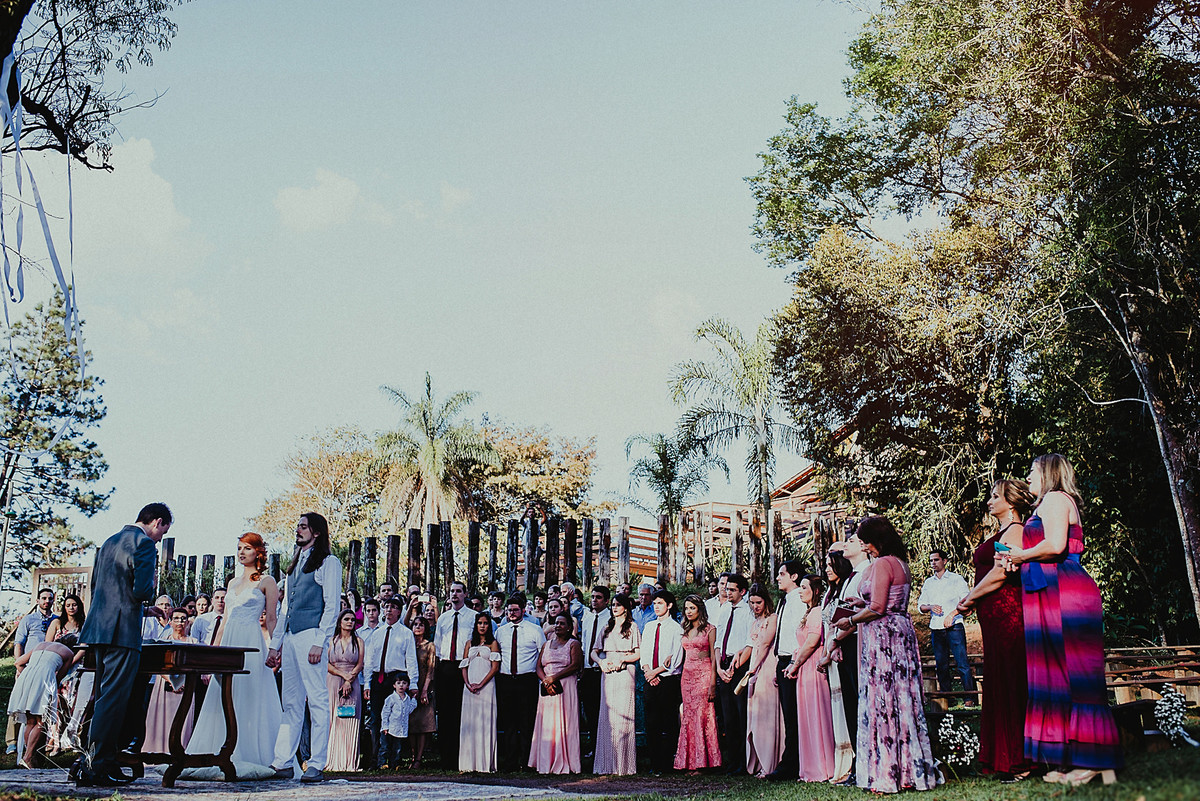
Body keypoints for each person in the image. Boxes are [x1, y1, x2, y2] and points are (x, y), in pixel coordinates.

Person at [1004, 454, 1121, 786]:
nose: (1027, 478)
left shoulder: (1056, 498)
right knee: (1057, 676)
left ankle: (1097, 762)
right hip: (1046, 593)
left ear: (1047, 473)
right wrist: (1018, 560)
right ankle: (1075, 760)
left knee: (1078, 675)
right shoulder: (1045, 504)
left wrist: (1020, 555)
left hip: (1065, 592)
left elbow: (1055, 546)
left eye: (1031, 472)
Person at [835, 516, 941, 793]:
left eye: (866, 542)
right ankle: (909, 768)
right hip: (900, 633)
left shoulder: (882, 563)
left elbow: (879, 607)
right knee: (902, 699)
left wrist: (852, 619)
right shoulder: (900, 563)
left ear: (876, 540)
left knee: (883, 701)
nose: (865, 547)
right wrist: (862, 602)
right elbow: (887, 599)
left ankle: (888, 772)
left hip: (883, 636)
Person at [73, 502, 171, 788]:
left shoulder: (109, 541)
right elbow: (141, 589)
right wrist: (147, 597)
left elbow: (101, 589)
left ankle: (95, 761)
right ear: (157, 521)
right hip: (122, 633)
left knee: (101, 697)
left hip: (99, 629)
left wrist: (144, 610)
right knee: (113, 701)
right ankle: (96, 767)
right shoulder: (144, 545)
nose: (160, 537)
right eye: (163, 531)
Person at [185, 532, 283, 779]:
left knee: (250, 694)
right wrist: (213, 655)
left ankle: (252, 752)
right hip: (229, 641)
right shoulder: (231, 584)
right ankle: (217, 751)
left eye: (247, 548)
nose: (242, 552)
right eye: (239, 548)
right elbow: (225, 621)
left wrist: (275, 648)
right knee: (224, 695)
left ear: (258, 552)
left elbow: (271, 617)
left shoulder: (267, 581)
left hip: (251, 642)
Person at [958, 479, 1034, 781]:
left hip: (1008, 614)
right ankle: (1002, 755)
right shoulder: (1001, 533)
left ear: (1011, 502)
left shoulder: (1015, 531)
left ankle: (1019, 759)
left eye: (995, 496)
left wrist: (970, 598)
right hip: (993, 615)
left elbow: (1001, 573)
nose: (989, 501)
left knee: (1011, 679)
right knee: (999, 678)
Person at [267, 512, 343, 783]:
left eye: (303, 527)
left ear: (317, 532)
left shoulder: (329, 562)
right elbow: (285, 607)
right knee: (291, 701)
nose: (298, 530)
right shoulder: (295, 562)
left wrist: (319, 641)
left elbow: (332, 605)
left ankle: (317, 763)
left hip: (311, 633)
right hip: (290, 636)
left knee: (318, 699)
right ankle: (283, 761)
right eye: (297, 526)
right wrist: (275, 644)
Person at [787, 574, 836, 782]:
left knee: (817, 714)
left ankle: (821, 766)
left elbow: (812, 641)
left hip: (812, 665)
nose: (800, 590)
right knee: (807, 716)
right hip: (804, 665)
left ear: (815, 591)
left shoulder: (816, 612)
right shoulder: (809, 612)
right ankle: (809, 766)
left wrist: (796, 663)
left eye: (804, 587)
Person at [364, 597, 419, 770]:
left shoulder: (405, 633)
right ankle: (375, 759)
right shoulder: (377, 633)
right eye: (386, 606)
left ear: (399, 611)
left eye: (393, 607)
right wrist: (367, 683)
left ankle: (393, 759)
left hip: (396, 679)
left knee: (395, 719)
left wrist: (413, 683)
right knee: (376, 719)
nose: (389, 610)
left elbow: (411, 659)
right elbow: (369, 659)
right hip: (378, 678)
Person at [917, 550, 976, 703]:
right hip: (936, 627)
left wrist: (952, 614)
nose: (933, 563)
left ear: (944, 561)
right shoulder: (929, 582)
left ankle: (970, 697)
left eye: (936, 560)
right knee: (941, 664)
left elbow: (966, 600)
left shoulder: (956, 579)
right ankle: (948, 697)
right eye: (931, 561)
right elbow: (920, 605)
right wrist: (930, 607)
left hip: (954, 626)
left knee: (961, 662)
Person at [817, 550, 855, 783]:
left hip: (843, 650)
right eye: (826, 566)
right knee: (839, 708)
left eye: (831, 565)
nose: (827, 569)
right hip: (831, 652)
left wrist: (831, 649)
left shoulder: (847, 589)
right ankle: (842, 762)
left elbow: (846, 622)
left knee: (847, 707)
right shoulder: (829, 594)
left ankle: (852, 761)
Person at [496, 595, 546, 771]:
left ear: (524, 610)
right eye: (509, 610)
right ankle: (509, 761)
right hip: (506, 680)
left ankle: (526, 761)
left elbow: (543, 652)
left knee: (526, 721)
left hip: (527, 679)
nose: (512, 613)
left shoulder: (534, 629)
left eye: (515, 610)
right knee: (508, 722)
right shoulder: (501, 631)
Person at [528, 612, 582, 774]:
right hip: (547, 687)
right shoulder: (546, 644)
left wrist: (554, 678)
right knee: (548, 723)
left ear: (569, 628)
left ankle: (567, 761)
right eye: (556, 623)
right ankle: (545, 761)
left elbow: (575, 665)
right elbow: (538, 666)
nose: (558, 626)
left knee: (565, 722)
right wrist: (546, 680)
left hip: (566, 686)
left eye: (562, 624)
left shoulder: (574, 644)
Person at [9, 638, 77, 768]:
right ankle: (28, 757)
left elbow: (18, 663)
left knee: (30, 721)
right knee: (41, 720)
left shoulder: (40, 645)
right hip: (44, 678)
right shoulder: (68, 653)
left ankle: (28, 756)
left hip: (27, 676)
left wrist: (28, 677)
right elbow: (59, 677)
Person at [592, 592, 639, 775]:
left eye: (618, 605)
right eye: (612, 604)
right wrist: (601, 662)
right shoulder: (606, 627)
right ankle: (606, 764)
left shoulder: (633, 627)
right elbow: (593, 652)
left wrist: (623, 660)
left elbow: (638, 652)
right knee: (607, 717)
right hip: (608, 672)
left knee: (624, 716)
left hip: (625, 672)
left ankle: (624, 765)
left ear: (626, 607)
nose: (614, 608)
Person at [767, 560, 804, 780]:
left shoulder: (799, 600)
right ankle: (789, 760)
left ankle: (791, 763)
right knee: (788, 714)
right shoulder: (784, 601)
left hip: (793, 660)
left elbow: (799, 633)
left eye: (782, 574)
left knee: (793, 714)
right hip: (783, 660)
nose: (778, 578)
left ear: (794, 577)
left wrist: (793, 662)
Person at [675, 594, 720, 771]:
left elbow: (714, 656)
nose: (689, 611)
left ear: (700, 609)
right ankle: (688, 761)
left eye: (692, 608)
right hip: (687, 676)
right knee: (688, 716)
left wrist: (713, 682)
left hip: (704, 673)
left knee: (703, 715)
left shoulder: (710, 629)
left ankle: (705, 762)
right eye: (686, 608)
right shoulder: (684, 629)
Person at [144, 608, 198, 754]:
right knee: (162, 719)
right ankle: (158, 751)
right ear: (171, 621)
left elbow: (196, 665)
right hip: (164, 684)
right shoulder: (163, 641)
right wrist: (171, 681)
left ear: (188, 622)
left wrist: (182, 683)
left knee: (183, 719)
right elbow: (156, 664)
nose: (180, 622)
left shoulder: (194, 642)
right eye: (176, 618)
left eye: (183, 619)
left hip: (186, 685)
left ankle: (179, 752)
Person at [743, 584, 784, 777]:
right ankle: (758, 761)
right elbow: (751, 646)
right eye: (751, 603)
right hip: (755, 665)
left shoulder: (772, 618)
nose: (754, 606)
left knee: (766, 714)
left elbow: (766, 644)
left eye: (758, 602)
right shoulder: (755, 622)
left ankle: (770, 763)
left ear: (766, 601)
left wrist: (754, 668)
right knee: (755, 714)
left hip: (766, 666)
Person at [641, 589, 683, 773]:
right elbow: (644, 653)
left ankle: (667, 762)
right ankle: (654, 762)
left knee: (668, 722)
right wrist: (648, 671)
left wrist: (657, 672)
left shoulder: (676, 628)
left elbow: (675, 658)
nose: (657, 607)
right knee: (651, 722)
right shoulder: (650, 627)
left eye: (660, 603)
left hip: (667, 680)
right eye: (655, 603)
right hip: (650, 679)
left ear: (669, 605)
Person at [712, 573, 750, 773]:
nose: (728, 592)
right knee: (728, 718)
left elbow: (749, 641)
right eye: (727, 589)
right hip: (723, 664)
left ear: (742, 591)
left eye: (732, 589)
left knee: (741, 714)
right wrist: (719, 667)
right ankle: (732, 761)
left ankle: (744, 762)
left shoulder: (748, 610)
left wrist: (734, 667)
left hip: (739, 665)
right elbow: (718, 641)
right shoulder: (724, 609)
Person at [434, 581, 471, 769]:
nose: (454, 594)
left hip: (465, 667)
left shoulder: (473, 617)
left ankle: (461, 757)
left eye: (458, 591)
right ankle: (446, 758)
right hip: (446, 667)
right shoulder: (443, 618)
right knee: (446, 713)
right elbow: (438, 646)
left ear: (465, 594)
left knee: (461, 712)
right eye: (451, 591)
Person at [459, 612, 501, 772]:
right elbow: (464, 666)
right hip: (469, 687)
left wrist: (481, 684)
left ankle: (484, 763)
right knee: (470, 721)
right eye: (480, 623)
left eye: (485, 623)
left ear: (489, 626)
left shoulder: (493, 644)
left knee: (485, 720)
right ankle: (468, 763)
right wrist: (468, 683)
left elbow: (495, 667)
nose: (482, 626)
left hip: (487, 686)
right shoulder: (469, 643)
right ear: (475, 625)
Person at [325, 609, 364, 771]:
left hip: (352, 683)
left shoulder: (359, 641)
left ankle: (349, 762)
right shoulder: (330, 641)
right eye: (346, 619)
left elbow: (360, 663)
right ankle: (331, 759)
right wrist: (343, 675)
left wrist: (349, 680)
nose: (350, 622)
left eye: (353, 620)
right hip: (333, 680)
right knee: (332, 718)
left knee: (350, 717)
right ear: (340, 621)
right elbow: (325, 663)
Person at [579, 585, 612, 757]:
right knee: (590, 712)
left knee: (604, 711)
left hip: (604, 669)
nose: (594, 600)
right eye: (592, 597)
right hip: (588, 670)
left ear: (606, 600)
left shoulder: (611, 619)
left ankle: (604, 748)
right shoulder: (588, 617)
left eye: (598, 597)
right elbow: (585, 644)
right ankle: (593, 747)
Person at [408, 615, 436, 768]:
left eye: (421, 624)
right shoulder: (409, 643)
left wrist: (424, 690)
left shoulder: (430, 645)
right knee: (411, 722)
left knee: (424, 722)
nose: (418, 627)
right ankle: (412, 756)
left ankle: (419, 758)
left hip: (425, 683)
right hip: (410, 685)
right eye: (415, 624)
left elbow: (431, 669)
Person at [379, 673, 417, 770]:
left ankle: (394, 764)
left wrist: (414, 700)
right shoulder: (391, 699)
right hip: (390, 728)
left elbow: (409, 710)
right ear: (394, 685)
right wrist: (385, 726)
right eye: (398, 683)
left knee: (398, 748)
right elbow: (385, 713)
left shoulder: (407, 699)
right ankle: (382, 764)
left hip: (400, 729)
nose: (401, 685)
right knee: (385, 747)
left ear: (407, 686)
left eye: (404, 683)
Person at [19, 589, 59, 656]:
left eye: (50, 598)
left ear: (53, 601)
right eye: (44, 598)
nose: (47, 601)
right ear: (37, 601)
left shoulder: (58, 620)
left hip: (51, 659)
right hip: (31, 659)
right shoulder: (28, 619)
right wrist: (18, 662)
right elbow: (19, 643)